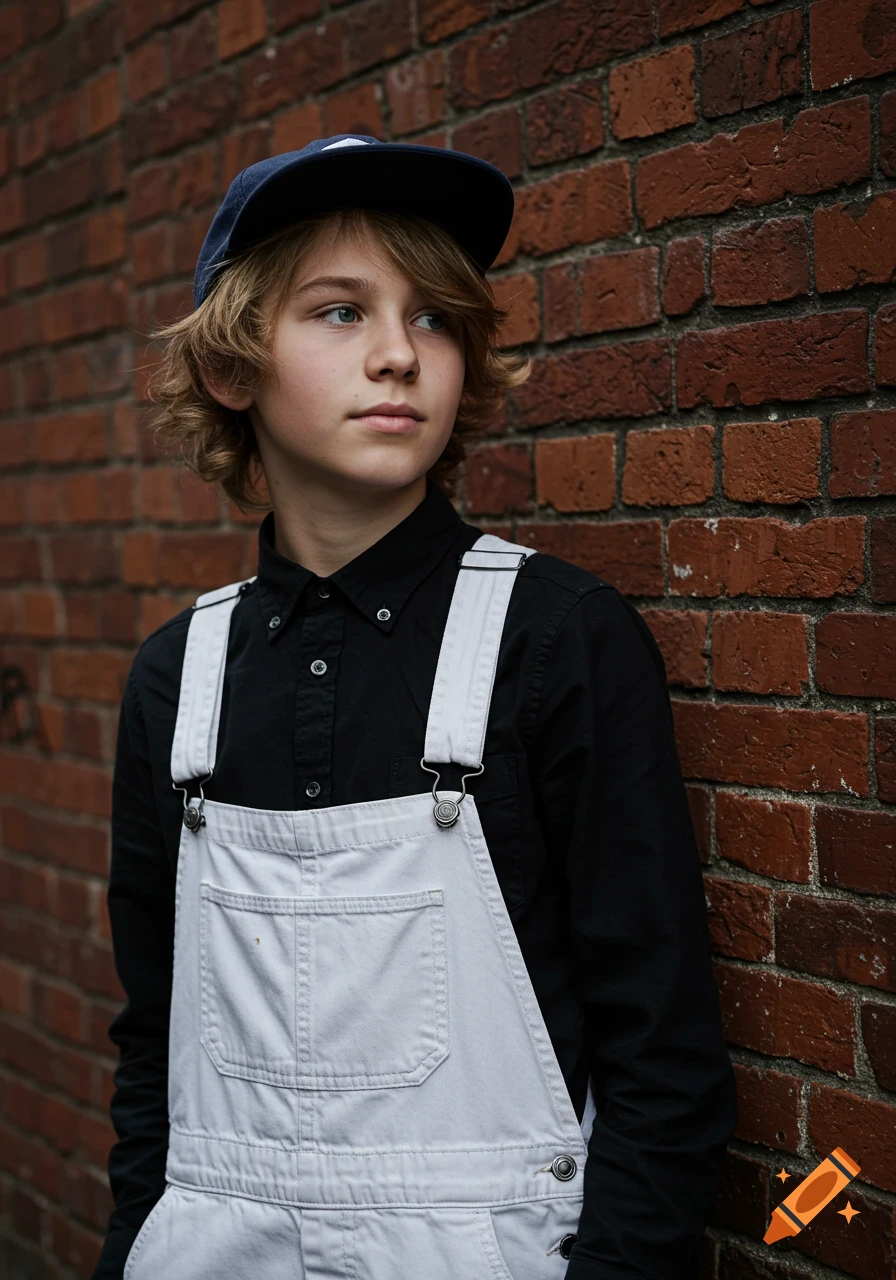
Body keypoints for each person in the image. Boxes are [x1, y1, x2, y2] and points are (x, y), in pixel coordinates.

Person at [92, 135, 738, 1280]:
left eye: (433, 317)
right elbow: (156, 1050)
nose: (399, 355)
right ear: (233, 369)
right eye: (340, 312)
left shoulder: (558, 639)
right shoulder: (175, 677)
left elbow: (662, 1056)